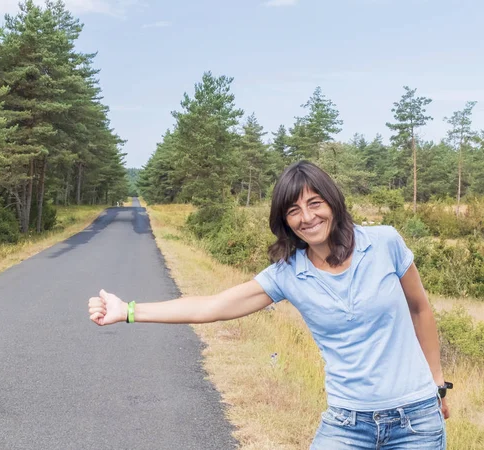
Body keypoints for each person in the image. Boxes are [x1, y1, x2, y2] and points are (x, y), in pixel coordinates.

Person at [88, 161, 451, 449]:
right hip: (347, 424)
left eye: (314, 203)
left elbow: (420, 309)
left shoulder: (384, 242)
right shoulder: (287, 273)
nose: (307, 218)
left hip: (415, 421)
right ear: (284, 220)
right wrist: (129, 311)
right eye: (294, 210)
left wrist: (437, 383)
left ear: (332, 202)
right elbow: (210, 307)